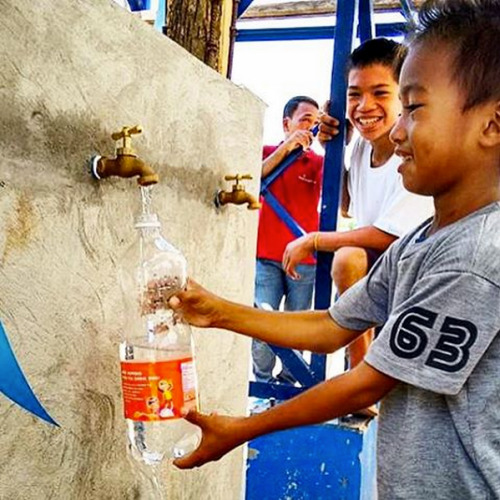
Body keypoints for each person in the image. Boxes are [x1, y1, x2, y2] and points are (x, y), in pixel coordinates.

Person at [168, 0, 500, 496]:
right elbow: (331, 326)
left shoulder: (475, 257)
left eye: (414, 107)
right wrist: (217, 312)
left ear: (493, 126)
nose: (398, 129)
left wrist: (242, 429)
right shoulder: (424, 240)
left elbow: (367, 381)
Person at [283, 38, 434, 374]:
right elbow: (347, 206)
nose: (365, 106)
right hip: (384, 270)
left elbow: (390, 235)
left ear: (404, 96)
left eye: (380, 93)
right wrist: (334, 147)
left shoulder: (414, 150)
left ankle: (360, 373)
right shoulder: (361, 148)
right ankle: (360, 371)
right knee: (348, 259)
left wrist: (314, 239)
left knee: (347, 256)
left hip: (418, 272)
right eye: (355, 95)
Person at [252, 96, 323, 385]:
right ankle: (261, 384)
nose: (311, 127)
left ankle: (288, 382)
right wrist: (287, 148)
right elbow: (251, 178)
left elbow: (343, 200)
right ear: (287, 123)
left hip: (304, 261)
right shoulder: (266, 153)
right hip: (266, 256)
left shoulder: (318, 164)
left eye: (316, 122)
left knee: (298, 326)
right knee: (262, 326)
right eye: (305, 119)